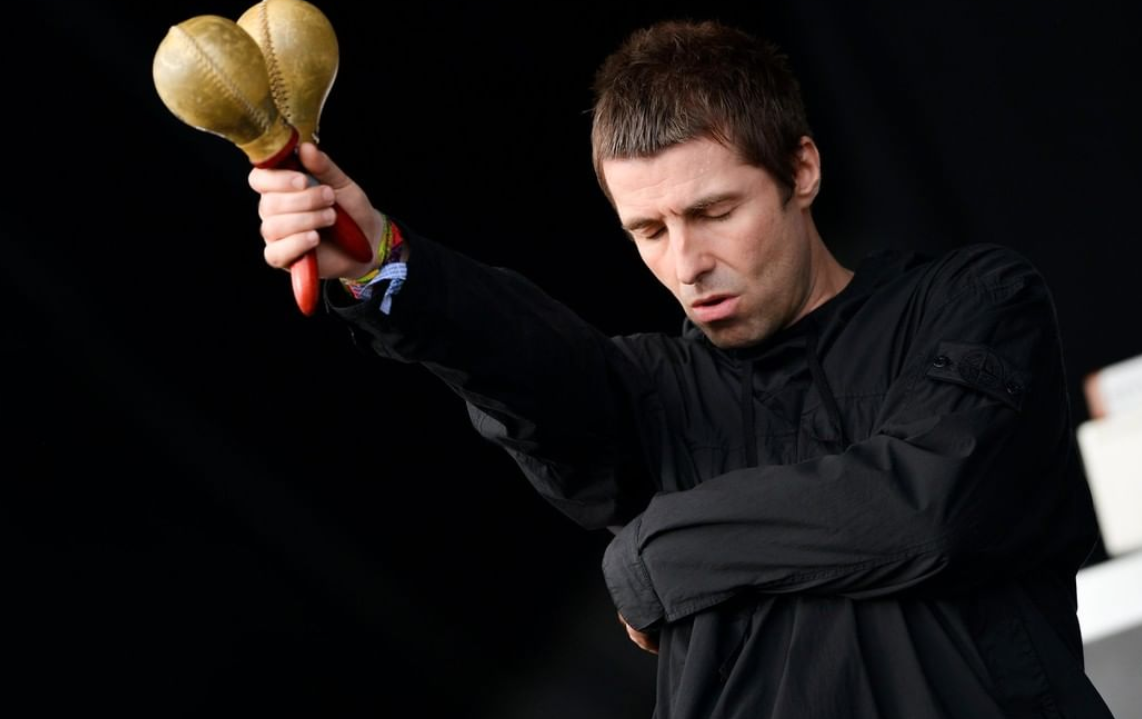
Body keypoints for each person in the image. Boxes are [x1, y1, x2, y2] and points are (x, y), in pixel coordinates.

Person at [247, 18, 1114, 719]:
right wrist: (381, 262)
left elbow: (923, 509)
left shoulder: (974, 301)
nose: (688, 263)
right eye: (650, 231)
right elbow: (517, 358)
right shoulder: (652, 396)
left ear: (801, 169)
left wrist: (655, 552)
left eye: (715, 211)